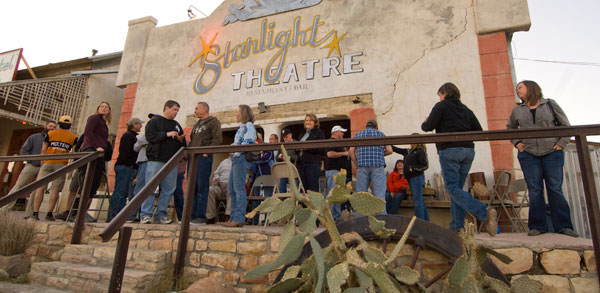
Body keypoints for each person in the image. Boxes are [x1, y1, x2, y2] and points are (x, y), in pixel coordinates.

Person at [421, 82, 496, 236]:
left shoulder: (441, 106)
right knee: (457, 191)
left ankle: (484, 212)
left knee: (452, 188)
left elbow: (427, 127)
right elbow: (479, 131)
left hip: (450, 151)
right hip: (468, 151)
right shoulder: (466, 109)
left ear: (445, 93)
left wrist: (425, 121)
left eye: (440, 95)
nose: (440, 98)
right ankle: (457, 227)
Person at [507, 80, 577, 237]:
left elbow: (566, 126)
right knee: (535, 190)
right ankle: (538, 226)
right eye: (516, 88)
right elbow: (509, 128)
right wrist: (517, 143)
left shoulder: (550, 104)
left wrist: (561, 144)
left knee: (554, 188)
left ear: (531, 88)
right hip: (529, 154)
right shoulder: (517, 110)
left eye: (520, 88)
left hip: (552, 152)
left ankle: (564, 226)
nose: (517, 90)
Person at [140, 100, 186, 224]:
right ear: (167, 108)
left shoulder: (177, 125)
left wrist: (181, 139)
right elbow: (150, 137)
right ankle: (145, 215)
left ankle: (160, 215)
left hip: (172, 162)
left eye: (178, 110)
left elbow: (183, 144)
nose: (176, 112)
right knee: (150, 187)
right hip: (156, 159)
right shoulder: (154, 122)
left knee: (168, 190)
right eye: (175, 109)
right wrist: (166, 134)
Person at [3, 121, 56, 215]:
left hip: (44, 168)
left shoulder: (54, 141)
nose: (52, 128)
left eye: (54, 127)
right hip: (31, 166)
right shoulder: (34, 137)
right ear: (45, 126)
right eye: (50, 126)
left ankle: (30, 214)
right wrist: (31, 161)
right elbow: (24, 150)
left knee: (37, 191)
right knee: (18, 186)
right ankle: (4, 210)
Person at [31, 116, 78, 221]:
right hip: (61, 164)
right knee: (55, 190)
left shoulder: (50, 134)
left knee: (40, 188)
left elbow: (43, 149)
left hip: (48, 161)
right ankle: (49, 213)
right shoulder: (73, 137)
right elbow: (73, 153)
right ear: (70, 125)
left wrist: (43, 160)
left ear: (59, 124)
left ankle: (35, 213)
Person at [222, 104, 256, 228]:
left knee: (238, 188)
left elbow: (248, 140)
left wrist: (236, 151)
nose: (236, 114)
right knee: (231, 189)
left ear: (243, 113)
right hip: (236, 159)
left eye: (238, 112)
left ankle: (239, 218)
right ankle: (233, 217)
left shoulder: (249, 126)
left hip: (240, 159)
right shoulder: (242, 126)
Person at [189, 101, 222, 225]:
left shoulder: (214, 122)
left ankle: (200, 217)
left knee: (202, 187)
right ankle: (190, 215)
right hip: (193, 158)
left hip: (204, 158)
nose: (195, 110)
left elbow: (217, 139)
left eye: (197, 108)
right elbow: (192, 141)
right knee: (192, 188)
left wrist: (207, 152)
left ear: (204, 109)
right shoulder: (196, 124)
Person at [349, 120, 393, 212]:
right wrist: (379, 154)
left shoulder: (358, 135)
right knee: (379, 195)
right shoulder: (381, 134)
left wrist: (356, 164)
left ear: (366, 126)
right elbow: (390, 150)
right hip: (377, 166)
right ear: (376, 127)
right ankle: (381, 219)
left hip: (362, 166)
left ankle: (360, 219)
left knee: (361, 195)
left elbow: (351, 152)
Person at [77, 101, 111, 217]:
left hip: (99, 155)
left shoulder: (104, 124)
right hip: (91, 151)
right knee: (87, 183)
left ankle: (84, 212)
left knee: (93, 185)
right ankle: (79, 211)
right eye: (101, 106)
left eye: (106, 107)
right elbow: (88, 132)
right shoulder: (94, 118)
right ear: (98, 108)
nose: (104, 108)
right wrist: (96, 146)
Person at [107, 118, 143, 221]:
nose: (141, 126)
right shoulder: (129, 136)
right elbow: (126, 153)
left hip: (126, 166)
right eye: (139, 124)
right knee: (120, 193)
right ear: (134, 125)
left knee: (123, 193)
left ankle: (117, 216)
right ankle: (113, 216)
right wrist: (131, 165)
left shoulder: (131, 136)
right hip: (125, 167)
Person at [127, 113, 157, 222]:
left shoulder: (150, 135)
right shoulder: (146, 135)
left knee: (145, 188)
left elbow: (139, 143)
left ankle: (139, 215)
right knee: (139, 189)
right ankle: (133, 214)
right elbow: (136, 147)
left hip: (149, 162)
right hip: (144, 162)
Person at [393, 138, 430, 221]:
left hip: (416, 177)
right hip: (410, 178)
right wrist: (388, 143)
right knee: (419, 199)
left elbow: (425, 165)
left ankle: (419, 221)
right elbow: (396, 149)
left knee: (417, 200)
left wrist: (413, 169)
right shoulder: (409, 151)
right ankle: (425, 220)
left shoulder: (420, 151)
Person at [324, 125, 349, 222]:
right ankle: (329, 217)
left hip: (338, 172)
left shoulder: (338, 143)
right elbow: (329, 154)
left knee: (337, 195)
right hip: (333, 171)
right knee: (332, 195)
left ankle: (336, 217)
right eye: (341, 132)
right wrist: (343, 153)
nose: (343, 133)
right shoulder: (331, 141)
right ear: (335, 132)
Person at [296, 114, 325, 192]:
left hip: (312, 163)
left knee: (312, 189)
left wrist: (307, 148)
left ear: (315, 122)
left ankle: (312, 204)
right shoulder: (302, 133)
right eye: (306, 120)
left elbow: (322, 149)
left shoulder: (319, 132)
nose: (308, 122)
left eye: (310, 120)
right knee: (302, 188)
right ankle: (304, 204)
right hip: (301, 164)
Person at [206, 157, 232, 223]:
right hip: (220, 185)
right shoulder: (224, 161)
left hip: (231, 185)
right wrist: (216, 178)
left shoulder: (239, 162)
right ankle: (210, 216)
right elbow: (216, 173)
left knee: (232, 189)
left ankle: (228, 215)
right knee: (210, 190)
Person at [275, 128, 298, 192]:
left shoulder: (296, 143)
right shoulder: (282, 145)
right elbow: (277, 157)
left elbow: (297, 157)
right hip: (284, 170)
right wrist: (283, 157)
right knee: (281, 189)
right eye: (284, 138)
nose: (285, 139)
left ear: (290, 135)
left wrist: (286, 158)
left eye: (286, 137)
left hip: (294, 170)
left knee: (295, 190)